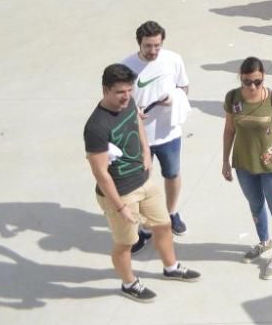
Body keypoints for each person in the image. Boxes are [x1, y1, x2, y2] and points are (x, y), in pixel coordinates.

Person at [84, 64, 201, 302]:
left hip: (145, 182)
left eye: (129, 90)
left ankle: (171, 268)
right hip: (120, 193)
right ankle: (129, 283)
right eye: (120, 92)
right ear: (105, 90)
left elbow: (138, 124)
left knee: (163, 225)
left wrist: (146, 153)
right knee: (125, 243)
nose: (126, 96)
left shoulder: (128, 104)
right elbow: (100, 173)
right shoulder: (96, 127)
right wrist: (120, 207)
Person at [222, 56, 272, 279]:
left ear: (263, 76)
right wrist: (225, 161)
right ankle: (264, 241)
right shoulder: (233, 98)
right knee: (255, 205)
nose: (253, 86)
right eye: (247, 82)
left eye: (257, 81)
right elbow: (229, 130)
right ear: (240, 78)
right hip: (244, 163)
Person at [119, 21, 191, 238]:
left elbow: (184, 86)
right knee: (140, 184)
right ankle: (143, 224)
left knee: (172, 174)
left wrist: (176, 97)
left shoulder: (173, 60)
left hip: (169, 133)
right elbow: (118, 101)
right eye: (148, 46)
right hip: (140, 137)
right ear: (139, 43)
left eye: (157, 46)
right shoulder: (126, 67)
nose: (153, 51)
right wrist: (132, 113)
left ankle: (172, 213)